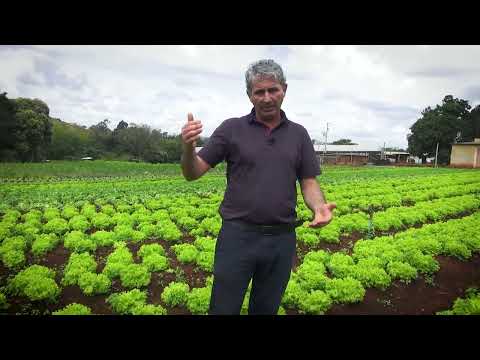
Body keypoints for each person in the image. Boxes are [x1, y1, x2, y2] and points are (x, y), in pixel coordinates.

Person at [180, 59, 336, 315]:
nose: (266, 98)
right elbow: (193, 172)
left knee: (266, 309)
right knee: (223, 308)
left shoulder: (299, 134)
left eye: (272, 90)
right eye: (259, 92)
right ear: (249, 95)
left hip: (281, 239)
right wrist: (187, 147)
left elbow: (308, 182)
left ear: (284, 89)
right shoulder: (231, 129)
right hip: (237, 237)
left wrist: (319, 207)